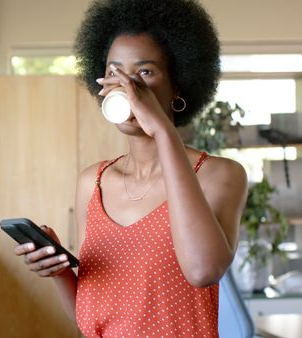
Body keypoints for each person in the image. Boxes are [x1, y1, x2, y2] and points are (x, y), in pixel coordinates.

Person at [13, 0, 248, 336]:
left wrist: (163, 130)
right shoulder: (91, 183)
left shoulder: (219, 175)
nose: (126, 85)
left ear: (178, 85)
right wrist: (59, 271)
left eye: (145, 72)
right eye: (113, 72)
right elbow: (90, 317)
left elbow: (202, 271)